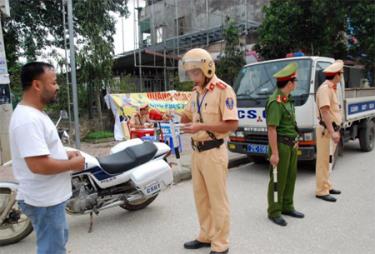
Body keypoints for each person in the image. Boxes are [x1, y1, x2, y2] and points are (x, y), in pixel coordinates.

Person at [9, 62, 85, 254]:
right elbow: (38, 165)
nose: (57, 87)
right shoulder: (28, 120)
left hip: (49, 198)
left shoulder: (34, 114)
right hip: (44, 200)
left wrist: (64, 155)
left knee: (56, 244)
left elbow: (40, 153)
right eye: (53, 82)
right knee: (52, 249)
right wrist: (72, 164)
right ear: (37, 85)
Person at [180, 48, 238, 254]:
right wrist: (174, 119)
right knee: (201, 197)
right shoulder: (195, 93)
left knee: (217, 200)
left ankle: (221, 244)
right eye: (189, 73)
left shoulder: (224, 90)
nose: (192, 77)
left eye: (195, 73)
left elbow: (231, 124)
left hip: (214, 152)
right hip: (197, 153)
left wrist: (202, 127)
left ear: (207, 69)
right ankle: (206, 235)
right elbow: (185, 117)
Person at [266, 62, 304, 227]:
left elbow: (291, 124)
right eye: (295, 81)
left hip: (291, 145)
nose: (296, 84)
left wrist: (296, 141)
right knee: (277, 180)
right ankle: (274, 211)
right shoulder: (275, 102)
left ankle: (287, 206)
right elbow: (272, 129)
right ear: (289, 83)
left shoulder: (287, 99)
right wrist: (274, 153)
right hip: (280, 146)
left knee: (290, 177)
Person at [315, 60, 343, 202]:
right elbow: (325, 112)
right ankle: (321, 190)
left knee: (329, 161)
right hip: (326, 131)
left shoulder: (332, 88)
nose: (342, 76)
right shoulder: (325, 89)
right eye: (341, 74)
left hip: (329, 129)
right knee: (323, 161)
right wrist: (332, 132)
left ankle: (327, 185)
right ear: (336, 75)